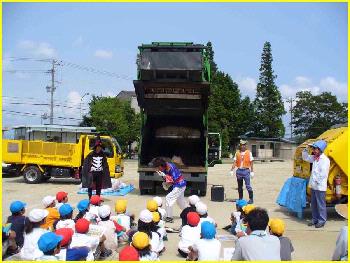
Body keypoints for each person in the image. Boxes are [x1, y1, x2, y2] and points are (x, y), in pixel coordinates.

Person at [302, 140, 330, 228]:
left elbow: (323, 174)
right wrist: (306, 149)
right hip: (314, 185)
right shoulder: (314, 158)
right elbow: (305, 158)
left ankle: (322, 220)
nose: (313, 150)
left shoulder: (325, 160)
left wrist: (316, 180)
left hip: (320, 186)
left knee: (320, 204)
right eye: (313, 148)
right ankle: (315, 219)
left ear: (320, 149)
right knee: (313, 204)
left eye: (315, 149)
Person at [153, 157, 187, 223]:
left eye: (158, 167)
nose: (158, 169)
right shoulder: (163, 168)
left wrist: (165, 176)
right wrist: (163, 177)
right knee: (180, 202)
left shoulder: (171, 167)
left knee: (169, 198)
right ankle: (189, 212)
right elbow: (168, 180)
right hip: (178, 185)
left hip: (180, 184)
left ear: (160, 165)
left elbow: (174, 180)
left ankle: (169, 217)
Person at [231, 140, 254, 204]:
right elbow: (234, 162)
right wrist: (231, 170)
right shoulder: (237, 153)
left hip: (246, 171)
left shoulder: (249, 153)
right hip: (239, 171)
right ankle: (240, 198)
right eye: (241, 145)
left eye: (244, 145)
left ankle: (251, 199)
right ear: (240, 145)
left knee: (248, 186)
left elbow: (251, 162)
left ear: (246, 145)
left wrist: (252, 171)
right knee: (239, 186)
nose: (243, 146)